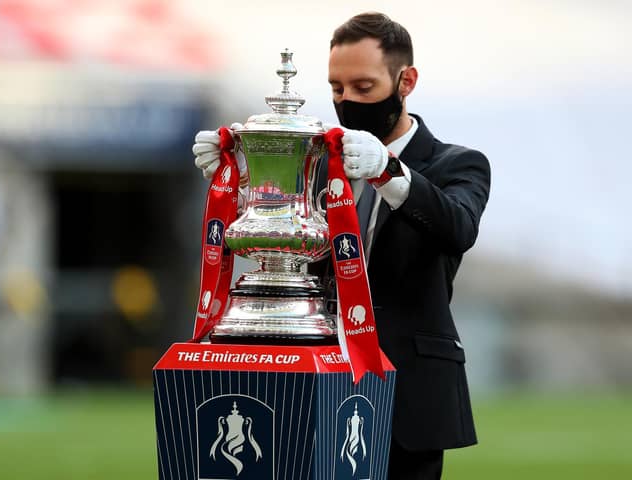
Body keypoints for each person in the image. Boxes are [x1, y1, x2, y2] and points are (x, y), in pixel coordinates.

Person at [193, 12, 490, 480]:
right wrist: (241, 178)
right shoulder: (316, 162)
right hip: (313, 375)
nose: (347, 101)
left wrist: (390, 172)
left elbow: (458, 228)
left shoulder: (458, 163)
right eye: (336, 88)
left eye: (363, 87)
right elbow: (284, 246)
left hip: (407, 389)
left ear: (405, 80)